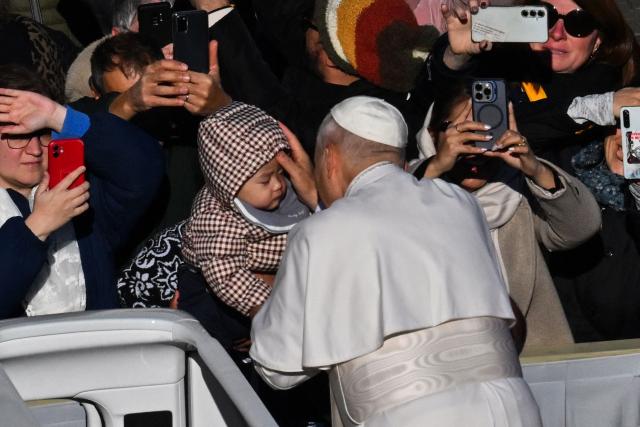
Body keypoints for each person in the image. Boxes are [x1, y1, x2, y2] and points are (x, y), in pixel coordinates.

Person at [250, 96, 541, 426]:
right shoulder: (459, 202)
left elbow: (277, 367)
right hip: (514, 409)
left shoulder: (321, 231)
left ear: (329, 158)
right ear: (400, 160)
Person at [412, 80, 601, 349]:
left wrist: (535, 169)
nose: (476, 149)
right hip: (443, 362)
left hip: (528, 363)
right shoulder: (404, 186)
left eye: (488, 133)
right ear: (433, 135)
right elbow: (390, 230)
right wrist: (435, 168)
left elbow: (581, 228)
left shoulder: (516, 194)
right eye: (466, 133)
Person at [0, 64, 164, 319]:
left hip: (102, 352)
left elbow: (146, 169)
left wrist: (60, 117)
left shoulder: (82, 192)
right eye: (17, 136)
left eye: (42, 133)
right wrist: (38, 226)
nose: (34, 149)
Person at [430, 0, 640, 173]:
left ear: (598, 41)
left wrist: (600, 107)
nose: (557, 33)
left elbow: (533, 126)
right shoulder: (491, 62)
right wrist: (456, 57)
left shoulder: (620, 93)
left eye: (579, 23)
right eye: (545, 16)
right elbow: (424, 114)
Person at [178, 102, 312, 346]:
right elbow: (225, 274)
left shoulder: (267, 193)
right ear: (230, 182)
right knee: (216, 342)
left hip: (264, 275)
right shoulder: (216, 218)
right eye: (265, 180)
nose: (278, 185)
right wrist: (271, 310)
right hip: (215, 294)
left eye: (280, 173)